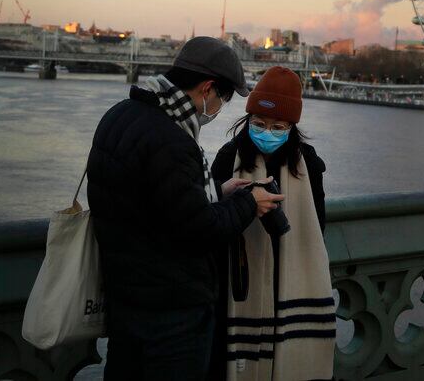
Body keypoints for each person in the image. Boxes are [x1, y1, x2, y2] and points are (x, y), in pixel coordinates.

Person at [87, 36, 282, 381]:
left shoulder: (119, 115)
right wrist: (248, 202)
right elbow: (199, 231)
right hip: (171, 314)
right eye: (223, 98)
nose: (220, 107)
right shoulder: (173, 141)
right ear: (207, 89)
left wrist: (217, 194)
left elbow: (149, 203)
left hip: (125, 299)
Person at [210, 67, 334, 381]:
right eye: (259, 124)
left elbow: (316, 223)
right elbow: (213, 216)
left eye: (278, 126)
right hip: (241, 279)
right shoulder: (228, 158)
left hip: (289, 272)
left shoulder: (309, 163)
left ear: (292, 127)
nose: (267, 133)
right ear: (247, 121)